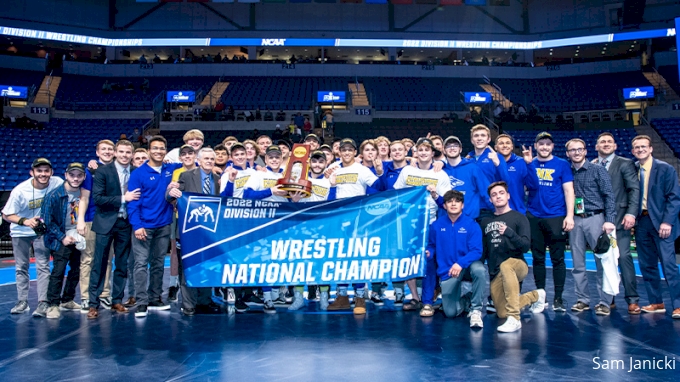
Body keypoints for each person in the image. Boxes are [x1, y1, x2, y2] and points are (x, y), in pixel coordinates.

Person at [393, 138, 451, 312]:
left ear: (433, 153)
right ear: (415, 152)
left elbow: (446, 203)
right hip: (407, 223)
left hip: (429, 223)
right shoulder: (406, 170)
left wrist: (434, 195)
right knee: (408, 259)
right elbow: (397, 194)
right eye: (420, 149)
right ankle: (415, 297)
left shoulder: (440, 174)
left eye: (427, 150)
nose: (424, 152)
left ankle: (427, 300)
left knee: (428, 261)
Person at [127, 136, 182, 318]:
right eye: (155, 148)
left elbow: (191, 166)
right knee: (141, 264)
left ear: (166, 151)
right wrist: (137, 225)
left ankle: (155, 298)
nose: (158, 151)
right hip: (144, 226)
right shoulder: (138, 173)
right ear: (149, 151)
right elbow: (132, 203)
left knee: (158, 263)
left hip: (164, 225)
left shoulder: (170, 169)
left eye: (162, 148)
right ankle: (141, 302)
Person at [480, 182, 546, 332]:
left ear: (508, 196)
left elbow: (525, 246)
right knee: (502, 311)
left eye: (501, 193)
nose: (498, 196)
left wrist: (510, 233)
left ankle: (515, 318)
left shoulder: (519, 218)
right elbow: (485, 249)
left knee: (507, 265)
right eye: (494, 195)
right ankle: (535, 295)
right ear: (490, 200)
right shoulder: (485, 221)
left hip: (518, 265)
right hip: (497, 271)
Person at [326, 138, 380, 315]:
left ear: (355, 152)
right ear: (339, 152)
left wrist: (380, 171)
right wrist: (332, 184)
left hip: (358, 218)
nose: (347, 153)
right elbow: (326, 196)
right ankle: (341, 296)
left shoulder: (362, 170)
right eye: (344, 150)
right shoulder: (332, 168)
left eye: (350, 150)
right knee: (340, 256)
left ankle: (359, 297)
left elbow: (379, 187)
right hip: (338, 218)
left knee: (357, 256)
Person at [2, 158, 63, 316]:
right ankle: (22, 301)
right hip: (20, 231)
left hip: (40, 231)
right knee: (21, 267)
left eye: (46, 171)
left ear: (51, 172)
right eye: (39, 171)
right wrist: (25, 221)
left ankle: (43, 302)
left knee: (43, 266)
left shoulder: (57, 182)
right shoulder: (20, 190)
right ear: (32, 172)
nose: (43, 174)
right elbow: (6, 214)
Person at [86, 140, 139, 319]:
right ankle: (93, 303)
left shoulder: (135, 172)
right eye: (121, 152)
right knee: (99, 263)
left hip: (125, 223)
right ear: (115, 153)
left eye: (128, 152)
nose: (124, 155)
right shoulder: (102, 171)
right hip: (105, 222)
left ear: (132, 155)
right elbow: (99, 199)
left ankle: (117, 300)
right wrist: (124, 198)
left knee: (122, 264)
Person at [167, 148, 223, 316]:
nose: (209, 161)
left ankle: (205, 300)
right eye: (206, 158)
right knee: (188, 267)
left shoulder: (217, 179)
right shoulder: (185, 176)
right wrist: (171, 192)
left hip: (209, 231)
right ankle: (189, 303)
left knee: (207, 265)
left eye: (212, 159)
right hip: (188, 230)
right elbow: (170, 196)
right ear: (198, 160)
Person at [565, 138, 617, 316]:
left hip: (596, 218)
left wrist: (609, 219)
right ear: (567, 154)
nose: (577, 152)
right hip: (575, 220)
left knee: (602, 261)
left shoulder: (597, 170)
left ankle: (605, 302)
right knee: (577, 263)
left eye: (580, 149)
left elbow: (609, 195)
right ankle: (583, 300)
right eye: (573, 150)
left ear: (586, 151)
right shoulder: (566, 171)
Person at [631, 135, 680, 319]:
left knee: (669, 265)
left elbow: (674, 198)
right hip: (642, 222)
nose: (640, 149)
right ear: (633, 151)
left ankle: (678, 304)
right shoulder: (633, 169)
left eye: (644, 146)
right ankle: (656, 302)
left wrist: (667, 221)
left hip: (662, 223)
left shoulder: (665, 169)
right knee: (647, 264)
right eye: (637, 147)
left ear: (651, 149)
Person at [420, 190, 485, 329]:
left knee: (479, 269)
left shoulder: (472, 225)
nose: (453, 204)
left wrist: (460, 263)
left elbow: (477, 251)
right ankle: (468, 298)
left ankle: (476, 309)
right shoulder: (436, 226)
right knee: (450, 313)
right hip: (448, 271)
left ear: (462, 205)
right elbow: (432, 246)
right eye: (449, 201)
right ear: (444, 206)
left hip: (467, 267)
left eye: (457, 201)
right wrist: (428, 253)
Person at [592, 133, 641, 314]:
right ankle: (608, 299)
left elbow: (633, 190)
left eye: (609, 142)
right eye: (602, 142)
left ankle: (632, 300)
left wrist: (630, 213)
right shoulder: (592, 165)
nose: (606, 144)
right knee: (604, 261)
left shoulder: (625, 163)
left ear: (615, 146)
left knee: (624, 257)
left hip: (620, 219)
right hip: (598, 221)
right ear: (596, 146)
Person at [526, 132, 575, 312]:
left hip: (556, 216)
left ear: (553, 146)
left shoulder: (562, 164)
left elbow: (569, 191)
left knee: (558, 259)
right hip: (534, 216)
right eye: (541, 144)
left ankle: (559, 299)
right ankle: (540, 299)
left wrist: (569, 216)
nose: (544, 147)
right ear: (536, 146)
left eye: (548, 144)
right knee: (538, 259)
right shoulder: (529, 164)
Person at [243, 146, 289, 314]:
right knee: (265, 260)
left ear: (282, 157)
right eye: (271, 157)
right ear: (266, 158)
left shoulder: (287, 174)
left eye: (277, 156)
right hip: (263, 221)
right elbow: (247, 196)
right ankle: (267, 297)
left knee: (281, 258)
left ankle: (277, 294)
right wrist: (271, 191)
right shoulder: (259, 175)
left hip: (284, 221)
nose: (275, 159)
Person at [40, 163, 88, 319]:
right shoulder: (54, 196)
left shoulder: (83, 194)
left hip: (78, 236)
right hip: (60, 238)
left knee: (76, 269)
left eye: (79, 175)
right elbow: (47, 221)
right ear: (66, 175)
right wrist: (62, 237)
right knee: (58, 270)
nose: (75, 178)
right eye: (72, 175)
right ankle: (53, 304)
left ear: (84, 177)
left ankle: (67, 299)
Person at [220, 143, 262, 311]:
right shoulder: (228, 173)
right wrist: (230, 181)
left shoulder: (255, 173)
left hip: (252, 218)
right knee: (236, 258)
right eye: (236, 154)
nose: (239, 156)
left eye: (242, 153)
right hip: (234, 218)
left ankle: (248, 292)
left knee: (251, 256)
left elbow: (258, 194)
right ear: (231, 157)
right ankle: (236, 295)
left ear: (247, 155)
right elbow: (224, 197)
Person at [298, 150, 337, 310]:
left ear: (326, 164)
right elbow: (293, 201)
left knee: (322, 262)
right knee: (299, 262)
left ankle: (324, 296)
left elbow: (333, 203)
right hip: (302, 226)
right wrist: (293, 197)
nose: (317, 165)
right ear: (309, 163)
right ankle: (298, 297)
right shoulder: (301, 180)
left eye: (321, 162)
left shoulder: (329, 182)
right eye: (314, 161)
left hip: (322, 227)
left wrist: (333, 186)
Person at [441, 136, 490, 220]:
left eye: (455, 145)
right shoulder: (441, 171)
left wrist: (494, 211)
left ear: (460, 149)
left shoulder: (473, 168)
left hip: (469, 220)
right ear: (444, 150)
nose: (452, 148)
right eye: (448, 146)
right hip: (446, 221)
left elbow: (486, 192)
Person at [494, 134, 538, 214]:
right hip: (494, 212)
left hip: (517, 211)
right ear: (496, 147)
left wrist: (529, 164)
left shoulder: (521, 162)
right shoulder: (490, 163)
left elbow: (533, 186)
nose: (504, 145)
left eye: (507, 143)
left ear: (512, 146)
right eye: (501, 143)